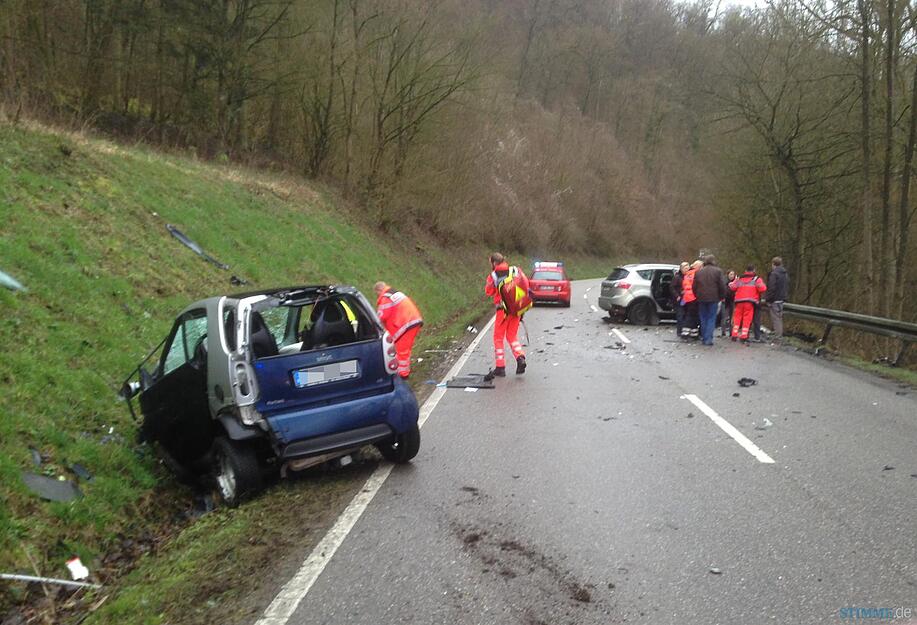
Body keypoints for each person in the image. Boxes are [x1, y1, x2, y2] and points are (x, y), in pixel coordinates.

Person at [484, 253, 530, 379]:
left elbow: (488, 291)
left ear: (494, 263)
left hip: (502, 311)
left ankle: (500, 367)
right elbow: (526, 284)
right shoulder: (515, 270)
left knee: (498, 338)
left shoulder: (493, 276)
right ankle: (520, 358)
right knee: (512, 336)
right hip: (516, 309)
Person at [374, 282, 424, 379]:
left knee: (401, 351)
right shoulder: (394, 293)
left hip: (406, 324)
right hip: (411, 321)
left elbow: (381, 316)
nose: (377, 296)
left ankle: (403, 375)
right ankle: (403, 372)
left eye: (377, 294)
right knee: (404, 350)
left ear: (379, 290)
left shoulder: (386, 298)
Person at [692, 255, 727, 346]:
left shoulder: (699, 272)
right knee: (711, 318)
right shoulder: (718, 271)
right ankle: (708, 339)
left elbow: (694, 286)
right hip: (713, 298)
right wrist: (722, 296)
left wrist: (696, 296)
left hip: (701, 298)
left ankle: (704, 337)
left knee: (703, 318)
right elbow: (722, 285)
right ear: (713, 261)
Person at [729, 265, 767, 344]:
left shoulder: (739, 279)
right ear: (754, 270)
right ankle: (744, 336)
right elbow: (763, 289)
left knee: (737, 318)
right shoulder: (756, 279)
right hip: (750, 302)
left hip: (739, 301)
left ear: (745, 271)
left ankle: (734, 334)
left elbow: (732, 287)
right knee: (747, 319)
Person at [765, 257, 789, 339]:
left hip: (774, 299)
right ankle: (779, 334)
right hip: (781, 299)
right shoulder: (785, 274)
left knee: (775, 318)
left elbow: (771, 288)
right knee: (779, 317)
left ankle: (778, 336)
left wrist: (768, 299)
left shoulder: (774, 274)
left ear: (773, 264)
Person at [680, 260, 703, 340]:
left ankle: (694, 333)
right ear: (699, 267)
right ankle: (685, 333)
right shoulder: (696, 274)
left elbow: (684, 285)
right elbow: (698, 285)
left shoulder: (687, 274)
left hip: (687, 297)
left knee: (692, 315)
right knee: (691, 315)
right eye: (701, 266)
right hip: (694, 297)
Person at [671, 262, 689, 338]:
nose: (687, 269)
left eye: (688, 268)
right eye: (685, 268)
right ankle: (679, 331)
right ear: (681, 269)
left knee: (686, 316)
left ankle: (685, 331)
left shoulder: (689, 277)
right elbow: (672, 288)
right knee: (680, 316)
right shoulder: (677, 277)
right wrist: (677, 295)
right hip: (680, 299)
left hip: (688, 299)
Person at [721, 270, 736, 337]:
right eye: (731, 274)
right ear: (728, 275)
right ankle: (723, 332)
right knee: (724, 317)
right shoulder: (724, 282)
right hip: (725, 301)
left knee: (732, 317)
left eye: (733, 274)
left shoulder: (736, 282)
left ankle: (731, 332)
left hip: (733, 301)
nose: (732, 276)